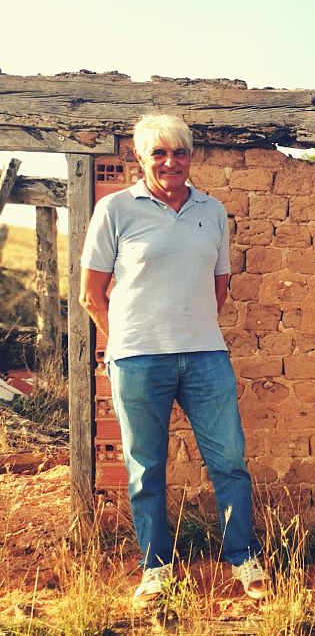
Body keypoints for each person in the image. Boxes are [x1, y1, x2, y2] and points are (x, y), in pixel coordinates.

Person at [79, 114, 267, 607]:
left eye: (179, 152)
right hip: (138, 361)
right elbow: (91, 295)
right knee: (145, 469)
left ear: (191, 157)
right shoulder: (115, 210)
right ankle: (156, 569)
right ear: (139, 158)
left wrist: (190, 326)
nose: (170, 162)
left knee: (230, 462)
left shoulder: (212, 210)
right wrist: (128, 340)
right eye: (158, 153)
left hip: (206, 356)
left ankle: (244, 559)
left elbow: (219, 286)